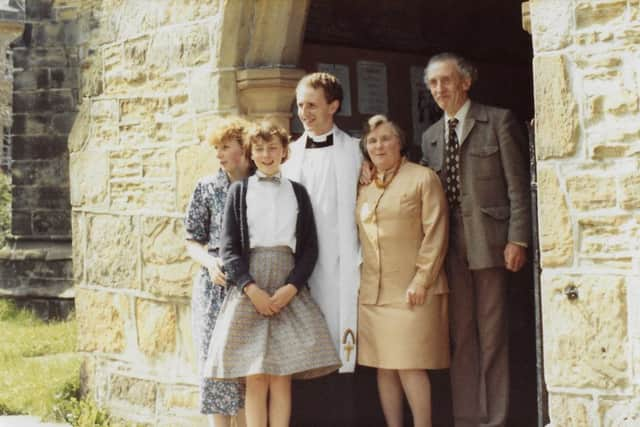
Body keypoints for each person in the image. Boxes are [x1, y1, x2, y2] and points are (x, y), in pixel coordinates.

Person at [204, 121, 341, 427]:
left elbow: (309, 249)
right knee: (256, 376)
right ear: (251, 154)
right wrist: (251, 289)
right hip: (251, 288)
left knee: (281, 376)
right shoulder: (239, 192)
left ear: (284, 152)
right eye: (260, 149)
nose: (267, 155)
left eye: (273, 148)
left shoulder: (297, 193)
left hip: (286, 286)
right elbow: (229, 250)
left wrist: (291, 288)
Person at [421, 53, 531, 427]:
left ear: (466, 82)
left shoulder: (497, 121)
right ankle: (467, 417)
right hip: (450, 251)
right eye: (433, 83)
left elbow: (519, 187)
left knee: (493, 336)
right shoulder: (430, 137)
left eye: (446, 81)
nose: (440, 89)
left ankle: (496, 418)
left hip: (492, 244)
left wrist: (518, 238)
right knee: (461, 336)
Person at [357, 115, 450, 427]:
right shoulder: (366, 189)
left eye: (386, 138)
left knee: (410, 366)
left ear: (400, 142)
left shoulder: (423, 178)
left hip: (413, 290)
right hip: (374, 293)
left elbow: (436, 233)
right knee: (385, 367)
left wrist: (422, 279)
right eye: (372, 141)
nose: (379, 145)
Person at [282, 72, 362, 424]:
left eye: (312, 105)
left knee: (341, 342)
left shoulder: (356, 151)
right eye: (300, 105)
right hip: (300, 266)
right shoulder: (289, 155)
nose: (304, 113)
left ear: (334, 105)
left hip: (342, 265)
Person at [184, 116, 252, 427]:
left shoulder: (261, 185)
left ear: (244, 147)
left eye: (226, 146)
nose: (220, 154)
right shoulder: (207, 187)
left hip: (251, 284)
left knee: (247, 365)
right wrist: (209, 262)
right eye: (216, 148)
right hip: (214, 286)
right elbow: (191, 240)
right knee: (214, 364)